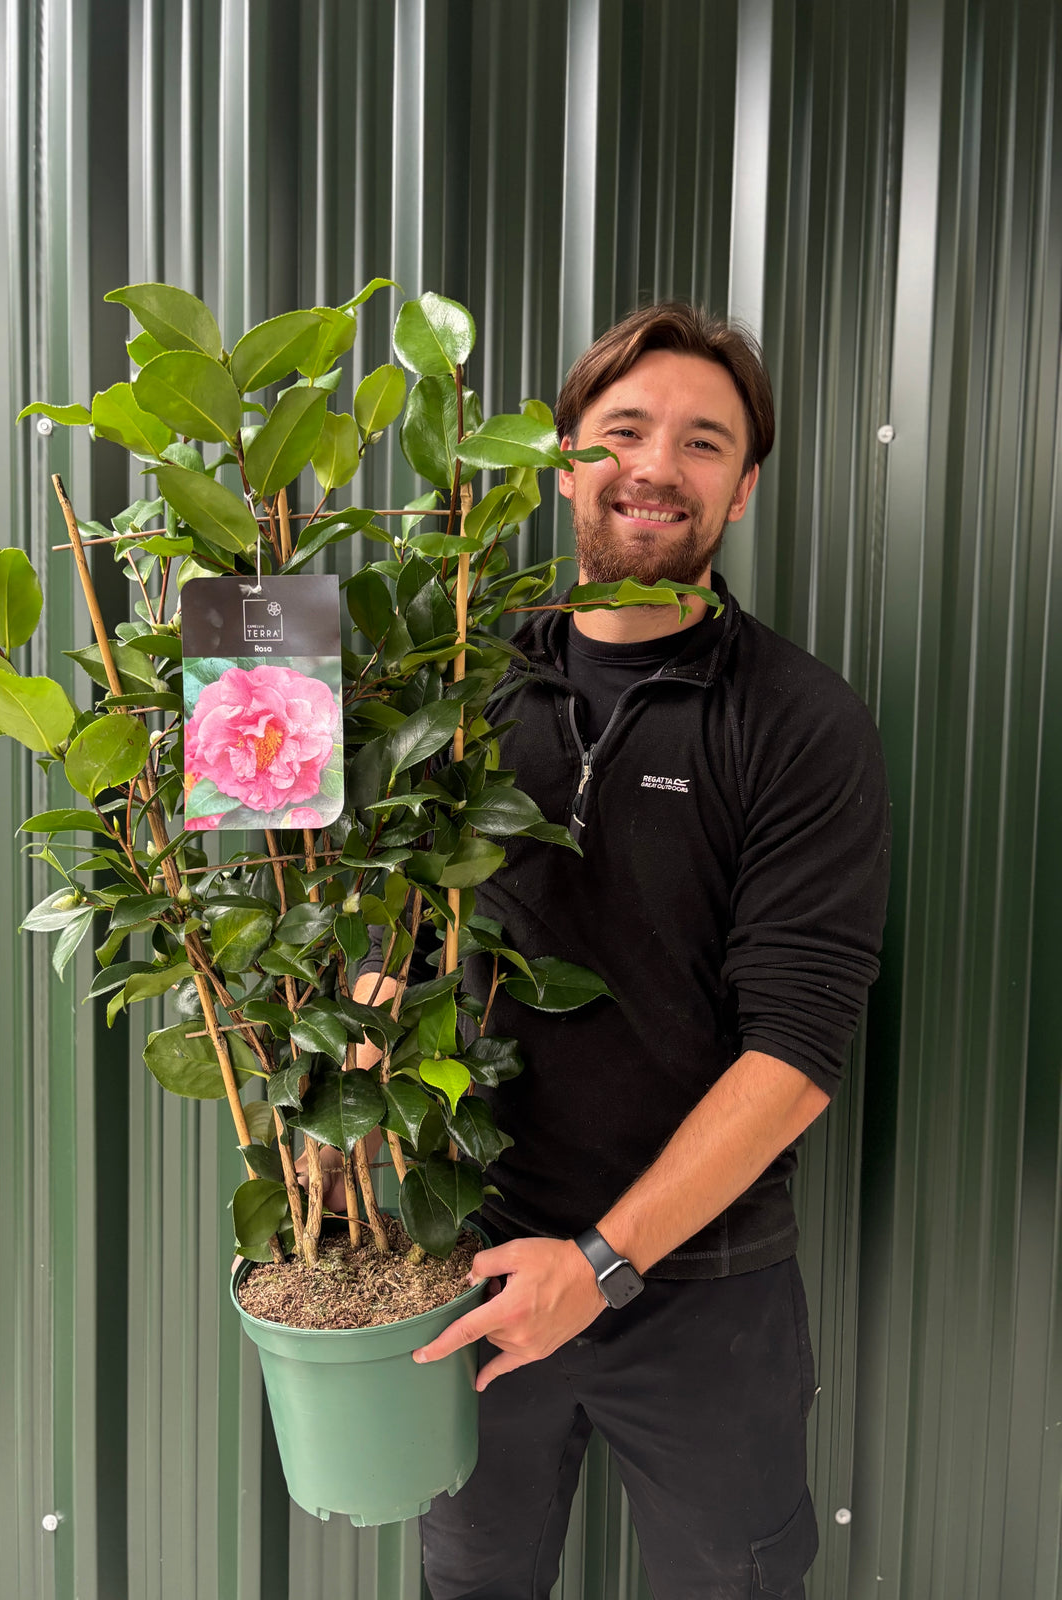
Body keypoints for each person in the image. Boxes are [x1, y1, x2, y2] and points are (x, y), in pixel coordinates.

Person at [357, 302, 891, 1600]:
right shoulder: (462, 684)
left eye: (705, 443)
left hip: (706, 1293)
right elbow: (372, 933)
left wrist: (601, 1266)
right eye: (627, 428)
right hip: (471, 1267)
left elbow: (798, 1046)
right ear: (561, 455)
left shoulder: (801, 723)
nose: (659, 464)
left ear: (744, 490)